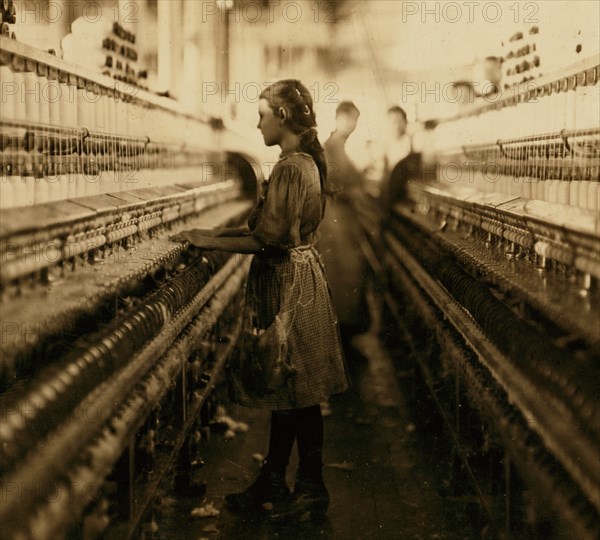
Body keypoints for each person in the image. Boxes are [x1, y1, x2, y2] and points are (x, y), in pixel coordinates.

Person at [169, 79, 350, 521]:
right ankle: (281, 482)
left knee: (294, 387)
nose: (257, 123)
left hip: (288, 284)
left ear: (282, 117)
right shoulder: (300, 162)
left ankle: (307, 489)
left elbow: (269, 241)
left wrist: (212, 243)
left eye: (262, 114)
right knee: (291, 390)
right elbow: (263, 230)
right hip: (296, 280)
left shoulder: (292, 168)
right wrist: (208, 234)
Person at [317, 101, 371, 344]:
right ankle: (340, 330)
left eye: (356, 121)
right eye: (349, 119)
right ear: (339, 118)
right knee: (344, 271)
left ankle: (343, 329)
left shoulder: (340, 146)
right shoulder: (331, 147)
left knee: (348, 270)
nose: (353, 125)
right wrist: (355, 190)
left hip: (343, 217)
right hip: (334, 218)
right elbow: (330, 184)